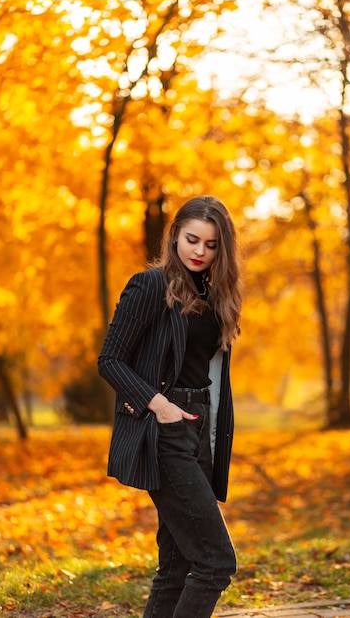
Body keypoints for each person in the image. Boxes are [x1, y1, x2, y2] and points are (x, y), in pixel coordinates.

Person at [98, 195, 242, 618]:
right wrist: (157, 404)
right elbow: (109, 360)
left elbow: (208, 370)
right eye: (191, 239)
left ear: (222, 249)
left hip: (198, 428)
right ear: (175, 234)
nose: (199, 251)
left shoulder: (215, 294)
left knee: (177, 566)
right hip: (165, 430)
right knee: (217, 563)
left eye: (211, 244)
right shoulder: (150, 285)